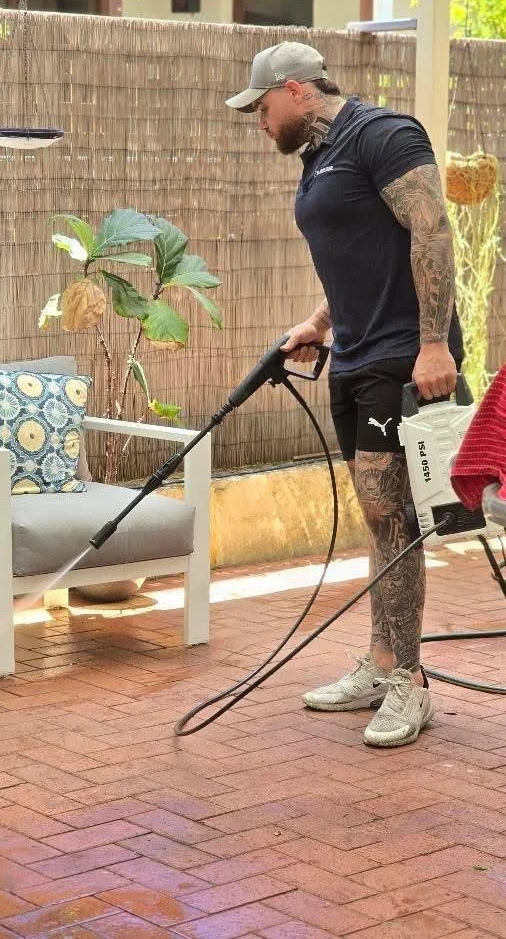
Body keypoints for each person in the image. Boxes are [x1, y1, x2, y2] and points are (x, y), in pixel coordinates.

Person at [227, 41, 463, 748]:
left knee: (395, 518)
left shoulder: (383, 136)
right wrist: (320, 321)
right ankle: (382, 661)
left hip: (403, 359)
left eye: (262, 108)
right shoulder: (319, 159)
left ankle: (408, 683)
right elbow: (360, 256)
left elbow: (431, 230)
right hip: (354, 355)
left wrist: (433, 345)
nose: (259, 122)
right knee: (377, 515)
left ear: (295, 90)